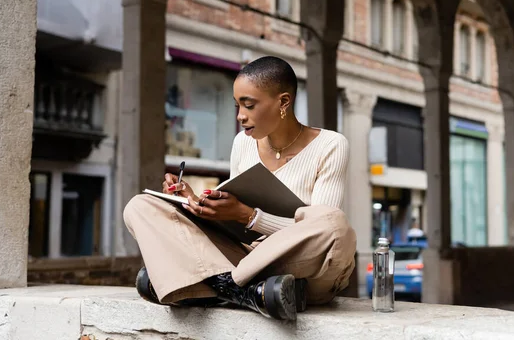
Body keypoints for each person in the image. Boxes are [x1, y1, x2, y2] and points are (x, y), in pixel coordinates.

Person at [123, 56, 356, 321]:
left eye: (249, 105)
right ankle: (240, 291)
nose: (240, 116)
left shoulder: (331, 145)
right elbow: (233, 220)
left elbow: (319, 231)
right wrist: (197, 204)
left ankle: (205, 284)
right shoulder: (242, 143)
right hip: (246, 262)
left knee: (334, 223)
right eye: (237, 106)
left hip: (303, 268)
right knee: (140, 206)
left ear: (283, 102)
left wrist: (249, 216)